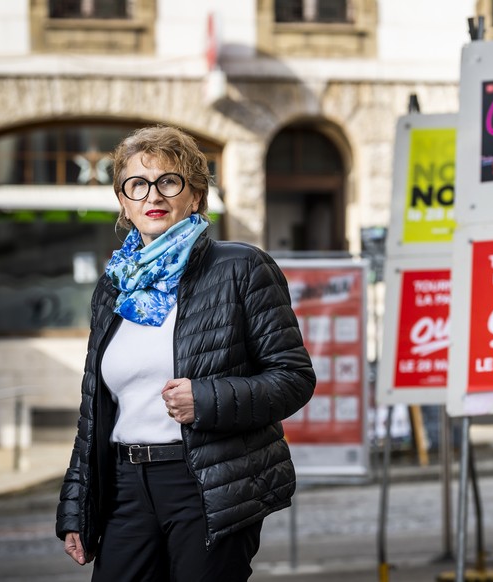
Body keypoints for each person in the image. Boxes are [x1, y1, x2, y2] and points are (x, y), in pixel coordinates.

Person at [55, 125, 316, 581]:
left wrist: (207, 399)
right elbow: (94, 406)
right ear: (124, 202)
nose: (152, 195)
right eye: (137, 184)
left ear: (195, 195)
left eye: (169, 181)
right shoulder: (114, 286)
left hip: (205, 482)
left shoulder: (240, 267)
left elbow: (293, 378)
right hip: (123, 487)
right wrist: (77, 505)